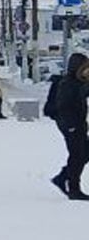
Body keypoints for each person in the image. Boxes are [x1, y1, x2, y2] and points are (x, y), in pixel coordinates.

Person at [47, 52, 89, 200]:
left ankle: (62, 177)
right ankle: (74, 189)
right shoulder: (67, 84)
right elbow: (64, 106)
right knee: (77, 156)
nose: (87, 71)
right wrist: (71, 126)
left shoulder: (79, 82)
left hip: (78, 124)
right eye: (85, 68)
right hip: (70, 125)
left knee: (84, 153)